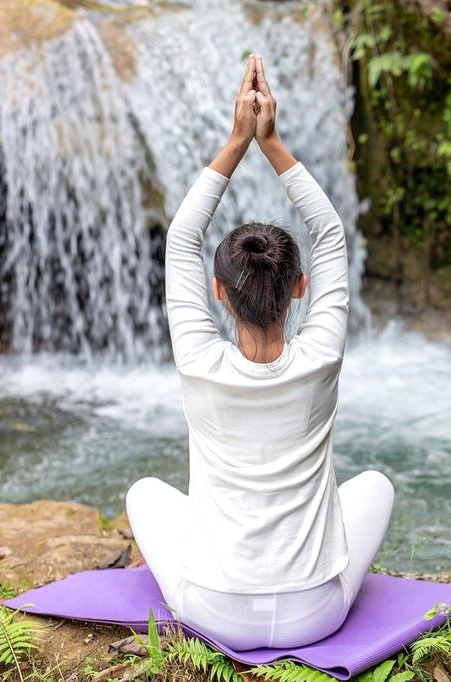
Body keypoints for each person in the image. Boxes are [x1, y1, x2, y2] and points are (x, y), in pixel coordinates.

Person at [125, 54, 394, 651]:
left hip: (212, 612)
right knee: (376, 485)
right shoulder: (320, 357)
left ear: (217, 292)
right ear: (301, 288)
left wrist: (237, 140)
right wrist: (272, 143)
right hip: (316, 613)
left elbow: (182, 239)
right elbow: (331, 235)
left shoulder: (200, 361)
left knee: (144, 492)